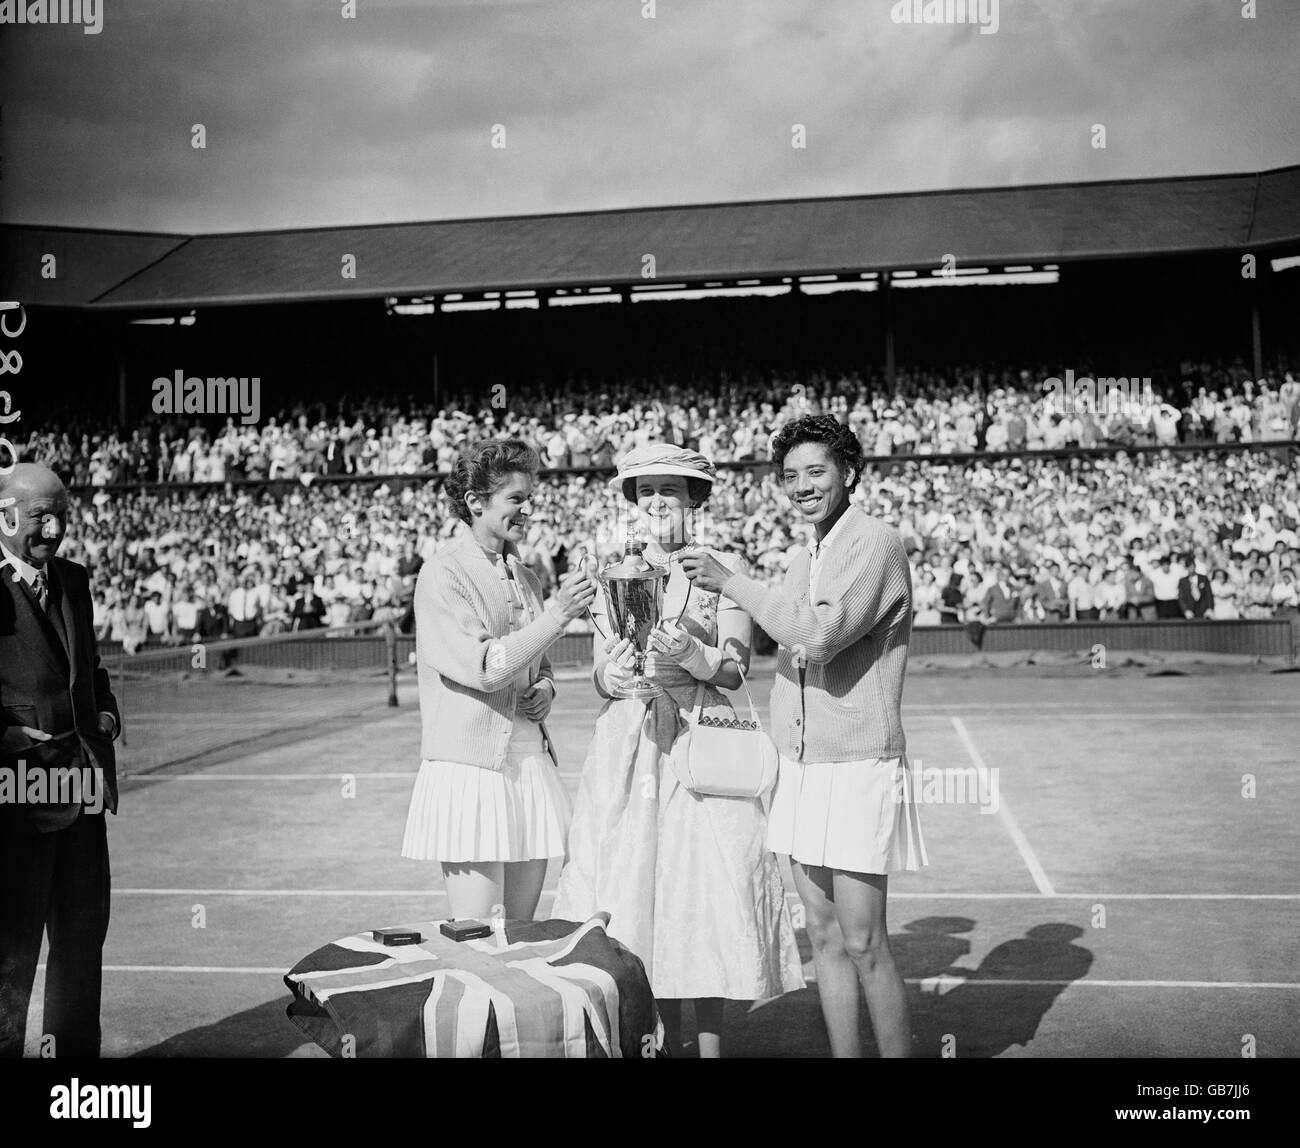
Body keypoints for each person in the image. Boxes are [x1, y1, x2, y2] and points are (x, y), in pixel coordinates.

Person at [682, 415, 927, 1059]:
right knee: (821, 935)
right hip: (800, 762)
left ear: (849, 473)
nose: (802, 486)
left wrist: (729, 579)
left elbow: (816, 636)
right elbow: (782, 634)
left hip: (856, 759)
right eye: (790, 476)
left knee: (864, 940)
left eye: (815, 472)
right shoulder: (803, 554)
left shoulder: (875, 542)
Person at [552, 444, 803, 1058]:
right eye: (645, 492)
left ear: (694, 500)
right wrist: (615, 677)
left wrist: (694, 657)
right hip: (629, 747)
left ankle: (710, 1051)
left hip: (700, 743)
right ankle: (654, 1044)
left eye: (670, 490)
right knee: (640, 900)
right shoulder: (617, 572)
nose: (657, 501)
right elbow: (598, 671)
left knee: (706, 898)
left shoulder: (722, 570)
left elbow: (737, 672)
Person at [400, 439, 596, 922]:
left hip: (530, 763)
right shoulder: (442, 574)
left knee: (521, 935)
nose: (527, 509)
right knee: (481, 939)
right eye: (516, 499)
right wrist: (557, 614)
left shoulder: (526, 577)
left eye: (529, 497)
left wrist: (545, 691)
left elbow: (539, 664)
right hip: (472, 770)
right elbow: (486, 668)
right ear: (475, 503)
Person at [1, 463, 121, 1058]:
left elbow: (91, 671)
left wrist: (106, 715)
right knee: (10, 953)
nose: (52, 529)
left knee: (80, 944)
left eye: (61, 516)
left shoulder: (73, 580)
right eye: (39, 516)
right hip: (16, 801)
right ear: (6, 515)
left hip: (84, 794)